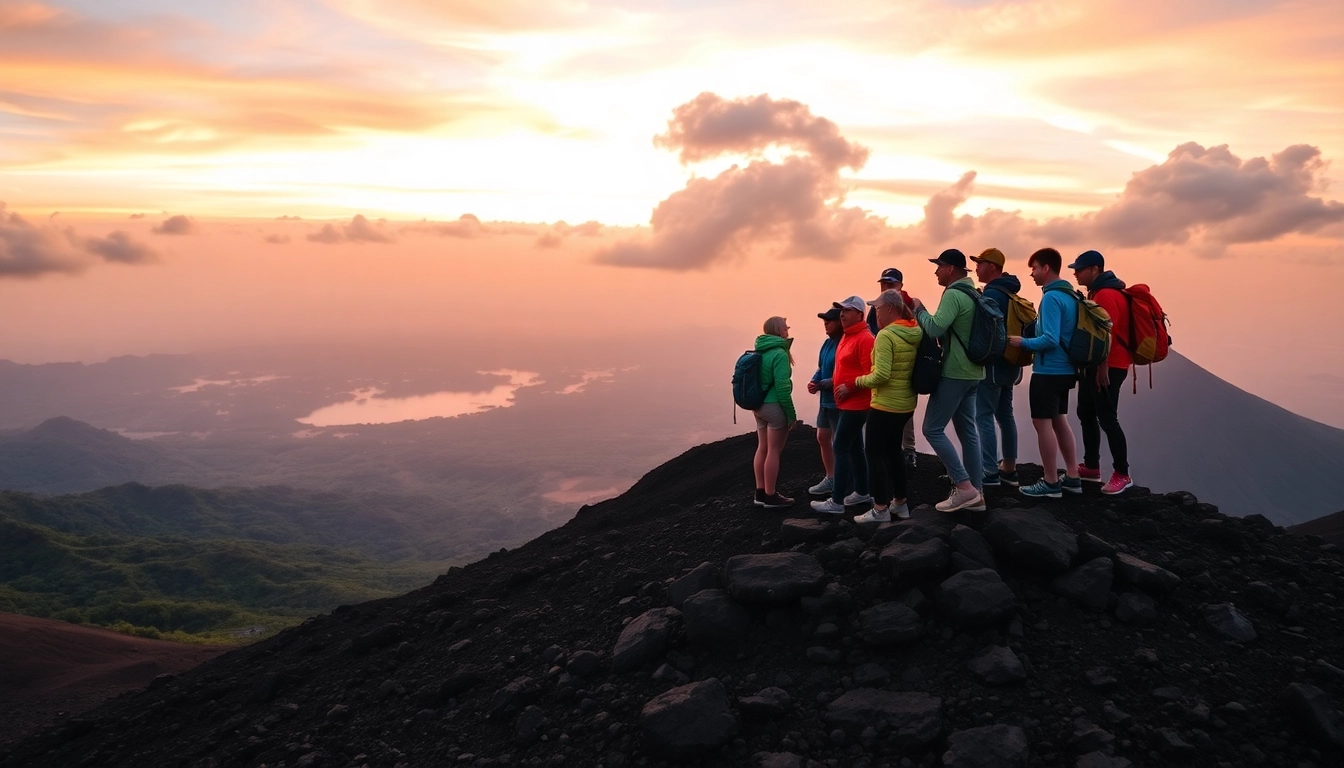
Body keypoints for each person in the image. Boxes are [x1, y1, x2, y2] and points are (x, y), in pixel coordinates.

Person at [910, 249, 985, 513]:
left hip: (955, 371)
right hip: (975, 371)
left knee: (932, 429)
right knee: (968, 432)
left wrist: (919, 310)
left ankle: (964, 487)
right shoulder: (974, 293)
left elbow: (934, 328)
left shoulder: (954, 294)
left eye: (939, 266)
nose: (936, 271)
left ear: (951, 268)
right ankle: (977, 494)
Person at [1007, 248, 1083, 498]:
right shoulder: (1070, 295)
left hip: (1049, 370)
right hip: (1067, 370)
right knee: (1060, 419)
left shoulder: (1051, 298)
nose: (1032, 274)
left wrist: (1023, 343)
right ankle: (1072, 476)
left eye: (1034, 268)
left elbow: (1050, 339)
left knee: (1042, 423)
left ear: (1046, 268)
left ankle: (1051, 481)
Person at [840, 289, 922, 522]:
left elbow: (881, 375)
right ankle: (900, 504)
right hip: (905, 404)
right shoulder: (913, 331)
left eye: (877, 308)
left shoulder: (886, 335)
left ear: (891, 309)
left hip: (885, 404)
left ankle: (880, 508)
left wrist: (855, 382)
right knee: (894, 451)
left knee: (873, 453)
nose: (875, 313)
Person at [1070, 249, 1134, 495]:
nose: (1076, 273)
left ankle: (1122, 473)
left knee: (1107, 418)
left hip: (1109, 366)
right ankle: (1092, 466)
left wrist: (1102, 367)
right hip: (1095, 365)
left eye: (1080, 269)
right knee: (1085, 412)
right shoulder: (1099, 292)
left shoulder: (1106, 295)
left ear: (1095, 269)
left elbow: (1106, 331)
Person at [811, 296, 873, 515]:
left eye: (847, 310)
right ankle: (863, 491)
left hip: (857, 403)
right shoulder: (846, 337)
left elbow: (871, 374)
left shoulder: (865, 339)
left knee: (840, 447)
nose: (843, 314)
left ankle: (836, 501)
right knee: (855, 447)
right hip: (845, 401)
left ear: (860, 314)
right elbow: (834, 368)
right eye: (842, 311)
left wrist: (848, 386)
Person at [970, 247, 1023, 487]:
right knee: (1005, 415)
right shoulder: (1010, 292)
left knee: (983, 415)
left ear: (992, 267)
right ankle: (1009, 468)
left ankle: (989, 470)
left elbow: (987, 332)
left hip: (993, 364)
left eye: (980, 263)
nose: (977, 267)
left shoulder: (992, 293)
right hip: (1011, 363)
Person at [866, 267, 918, 468]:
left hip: (903, 369)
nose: (886, 287)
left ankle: (909, 451)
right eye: (883, 284)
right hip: (884, 364)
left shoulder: (909, 305)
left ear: (900, 285)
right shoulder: (877, 307)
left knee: (903, 413)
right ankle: (899, 453)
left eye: (891, 283)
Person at [751, 316, 796, 508]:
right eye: (785, 327)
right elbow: (783, 388)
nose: (788, 329)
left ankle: (760, 492)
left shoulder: (760, 349)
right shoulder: (779, 353)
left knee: (762, 447)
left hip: (759, 406)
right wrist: (791, 414)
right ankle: (771, 495)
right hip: (774, 406)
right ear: (779, 330)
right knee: (774, 450)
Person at [806, 307, 843, 495]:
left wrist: (820, 384)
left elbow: (844, 375)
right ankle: (831, 477)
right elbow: (821, 368)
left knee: (840, 442)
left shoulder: (843, 344)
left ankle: (842, 480)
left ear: (840, 322)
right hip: (825, 401)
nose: (826, 324)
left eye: (829, 320)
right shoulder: (827, 344)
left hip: (838, 402)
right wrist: (815, 380)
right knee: (822, 437)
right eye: (825, 321)